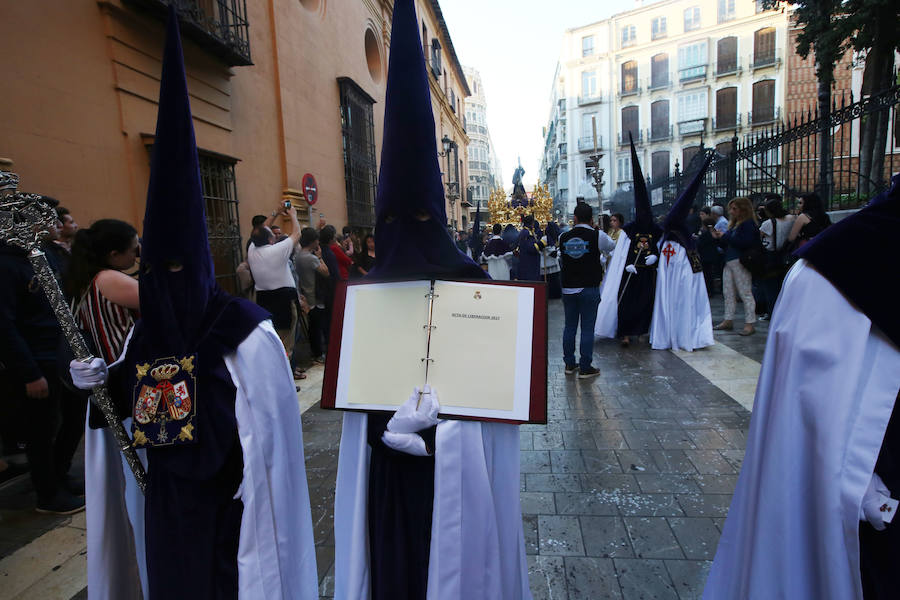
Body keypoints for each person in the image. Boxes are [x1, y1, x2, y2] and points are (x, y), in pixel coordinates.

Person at [69, 10, 318, 598]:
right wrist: (95, 381)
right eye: (152, 270)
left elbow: (273, 447)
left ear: (202, 270)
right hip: (166, 506)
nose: (163, 282)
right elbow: (122, 404)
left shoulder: (246, 333)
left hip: (233, 511)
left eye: (177, 270)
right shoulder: (145, 332)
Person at [333, 1, 531, 596]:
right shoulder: (363, 299)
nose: (408, 233)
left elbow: (496, 411)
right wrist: (383, 431)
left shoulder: (480, 291)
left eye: (419, 218)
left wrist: (445, 428)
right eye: (394, 220)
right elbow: (356, 406)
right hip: (386, 483)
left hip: (461, 478)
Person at [703, 174, 900, 600]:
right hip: (872, 542)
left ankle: (747, 319)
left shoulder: (817, 265)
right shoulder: (836, 267)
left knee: (749, 299)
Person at [66, 218, 144, 599]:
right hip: (124, 391)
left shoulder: (90, 279)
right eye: (133, 249)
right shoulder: (108, 280)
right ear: (114, 254)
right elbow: (165, 303)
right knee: (137, 488)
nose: (136, 255)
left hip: (115, 390)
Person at [0, 194, 85, 515]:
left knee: (73, 420)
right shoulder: (7, 263)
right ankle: (47, 494)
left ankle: (60, 475)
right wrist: (29, 372)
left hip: (63, 354)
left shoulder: (46, 254)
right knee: (42, 430)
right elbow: (5, 326)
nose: (53, 223)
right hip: (38, 360)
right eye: (44, 218)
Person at [596, 139, 660, 347]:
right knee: (626, 303)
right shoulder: (629, 230)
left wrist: (655, 257)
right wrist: (627, 265)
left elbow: (658, 246)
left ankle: (642, 331)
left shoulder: (654, 228)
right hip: (629, 273)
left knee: (646, 303)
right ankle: (624, 334)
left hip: (648, 273)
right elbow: (621, 253)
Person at [649, 155, 715, 351]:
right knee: (682, 302)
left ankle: (678, 334)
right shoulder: (680, 239)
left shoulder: (678, 240)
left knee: (678, 302)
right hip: (679, 276)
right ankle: (682, 333)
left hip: (681, 276)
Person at [559, 202, 615, 378]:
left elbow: (560, 257)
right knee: (587, 328)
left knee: (569, 327)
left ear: (574, 219)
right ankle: (585, 367)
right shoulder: (598, 235)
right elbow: (612, 246)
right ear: (591, 219)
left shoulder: (563, 237)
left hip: (568, 289)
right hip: (589, 288)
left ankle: (569, 363)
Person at [247, 206, 302, 354]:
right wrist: (293, 215)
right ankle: (284, 374)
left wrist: (276, 212)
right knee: (285, 345)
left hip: (263, 300)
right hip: (283, 300)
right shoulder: (277, 251)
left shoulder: (252, 250)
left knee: (270, 342)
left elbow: (263, 229)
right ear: (271, 239)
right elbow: (297, 233)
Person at [711, 197, 759, 336]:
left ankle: (750, 323)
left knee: (745, 292)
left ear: (743, 210)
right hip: (730, 260)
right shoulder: (736, 224)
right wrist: (720, 238)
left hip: (740, 260)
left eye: (735, 209)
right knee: (728, 292)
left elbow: (744, 242)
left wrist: (724, 237)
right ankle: (728, 319)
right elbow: (730, 242)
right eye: (731, 209)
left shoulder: (748, 224)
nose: (731, 212)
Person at [295, 227, 330, 362]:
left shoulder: (298, 255)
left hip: (304, 294)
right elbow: (326, 272)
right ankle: (318, 354)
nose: (318, 242)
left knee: (312, 327)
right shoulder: (311, 258)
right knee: (316, 327)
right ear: (312, 242)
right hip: (314, 297)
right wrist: (320, 257)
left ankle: (315, 353)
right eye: (316, 240)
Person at [757, 196, 795, 319]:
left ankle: (772, 312)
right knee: (781, 286)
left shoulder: (768, 223)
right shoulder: (790, 219)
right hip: (784, 255)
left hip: (770, 255)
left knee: (770, 288)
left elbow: (759, 237)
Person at [516, 214, 544, 281]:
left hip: (526, 261)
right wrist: (542, 243)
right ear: (532, 223)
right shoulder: (527, 233)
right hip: (529, 263)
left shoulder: (525, 232)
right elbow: (532, 248)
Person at [541, 221, 562, 298]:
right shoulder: (544, 238)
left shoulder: (555, 238)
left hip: (551, 262)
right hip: (547, 262)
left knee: (554, 280)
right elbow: (541, 249)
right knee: (552, 280)